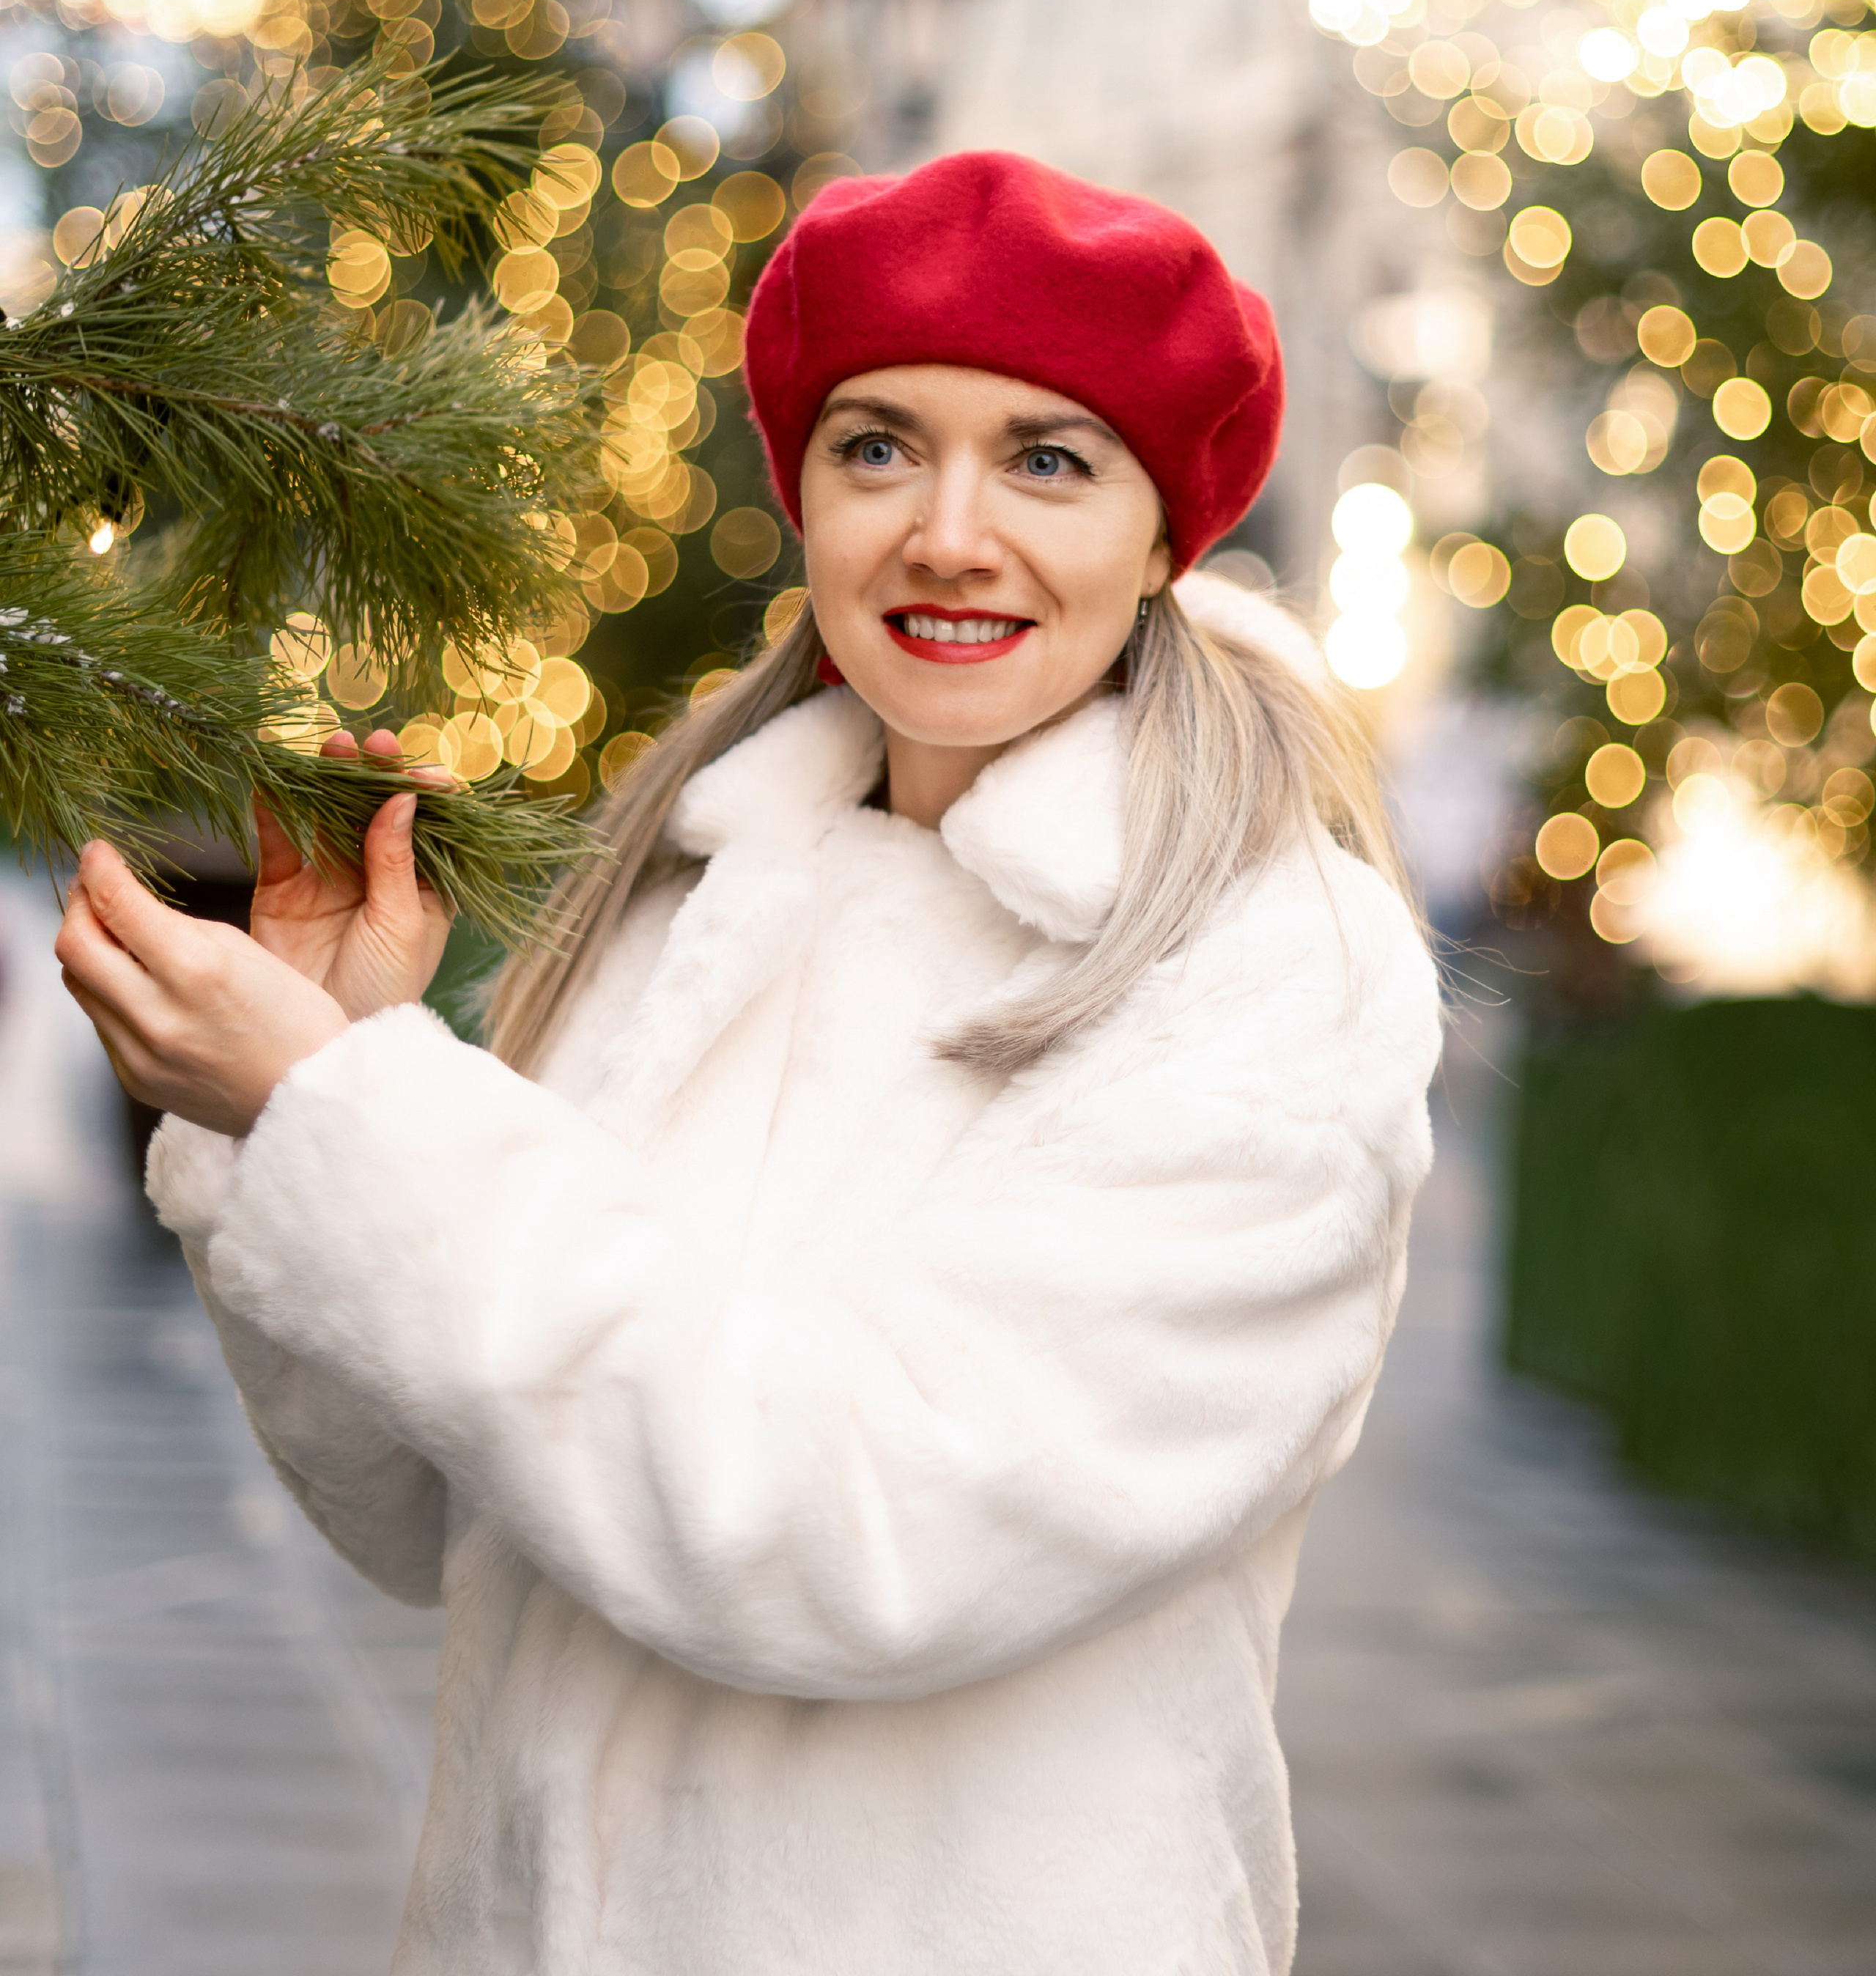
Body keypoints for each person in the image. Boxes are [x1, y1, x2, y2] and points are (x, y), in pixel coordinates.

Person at [55, 150, 1441, 1975]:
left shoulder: (1265, 984)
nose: (947, 533)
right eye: (878, 448)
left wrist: (350, 1116)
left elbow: (851, 1526)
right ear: (805, 494)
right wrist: (325, 1078)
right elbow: (427, 1507)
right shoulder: (694, 900)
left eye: (1046, 460)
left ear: (1164, 533)